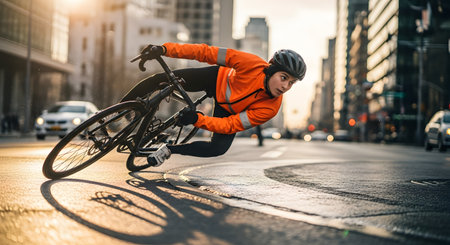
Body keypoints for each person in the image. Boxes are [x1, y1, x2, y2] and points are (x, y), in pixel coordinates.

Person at [121, 43, 306, 166]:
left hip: (228, 110)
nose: (285, 86)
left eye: (291, 83)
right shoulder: (250, 63)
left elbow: (230, 125)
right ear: (271, 70)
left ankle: (169, 149)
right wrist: (164, 49)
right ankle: (116, 112)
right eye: (283, 78)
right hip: (216, 79)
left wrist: (198, 120)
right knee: (159, 80)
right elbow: (205, 52)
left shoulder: (271, 108)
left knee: (217, 148)